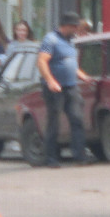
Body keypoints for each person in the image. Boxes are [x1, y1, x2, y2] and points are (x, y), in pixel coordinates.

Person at [36, 11, 93, 167]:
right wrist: (50, 81)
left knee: (77, 119)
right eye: (74, 26)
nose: (76, 29)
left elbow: (70, 63)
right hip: (55, 88)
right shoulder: (51, 39)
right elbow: (42, 61)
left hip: (71, 86)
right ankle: (51, 158)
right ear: (65, 26)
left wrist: (82, 76)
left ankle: (80, 156)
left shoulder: (71, 41)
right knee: (54, 122)